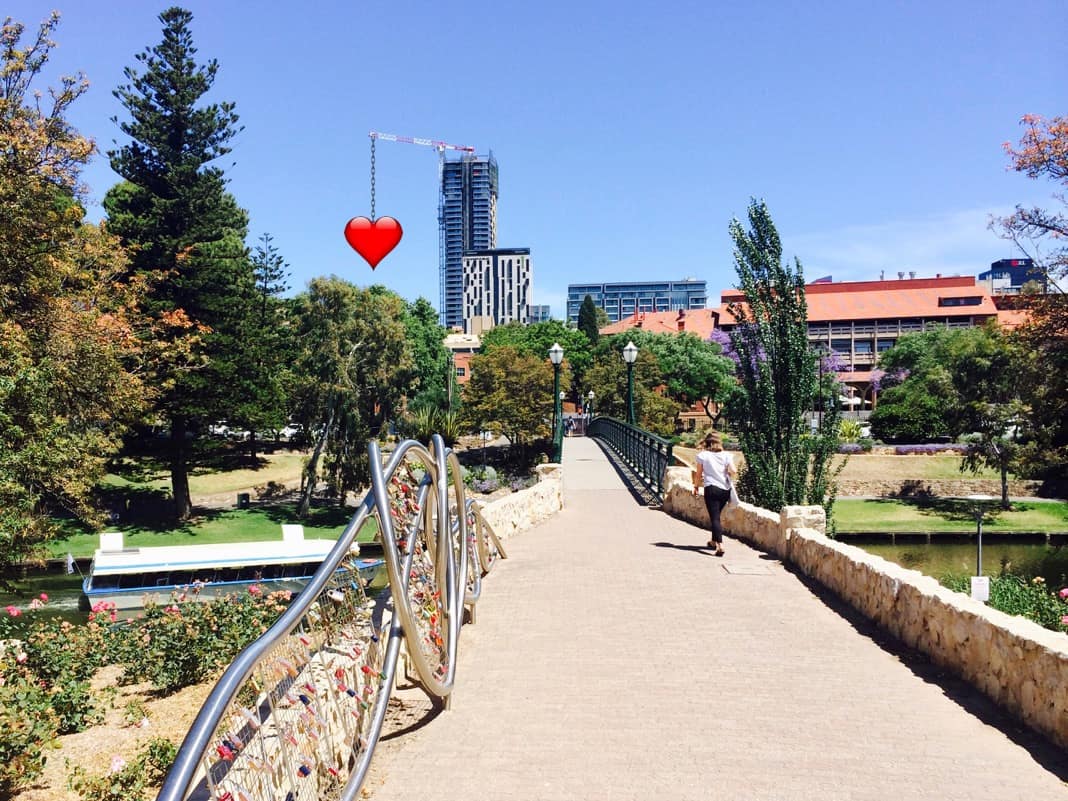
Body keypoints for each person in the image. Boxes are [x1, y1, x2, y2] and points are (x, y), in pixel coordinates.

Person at [691, 431, 737, 556]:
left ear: (707, 443)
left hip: (711, 489)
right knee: (716, 516)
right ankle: (713, 541)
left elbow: (699, 473)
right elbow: (733, 471)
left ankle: (720, 545)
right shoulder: (727, 455)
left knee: (715, 518)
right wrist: (726, 472)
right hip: (725, 490)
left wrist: (696, 486)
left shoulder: (703, 455)